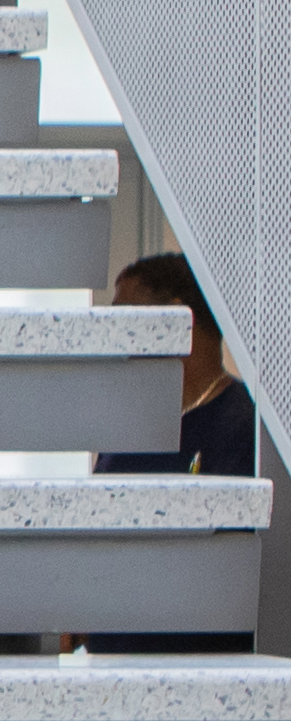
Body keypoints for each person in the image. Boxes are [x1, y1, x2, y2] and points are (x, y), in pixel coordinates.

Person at [87, 250, 257, 654]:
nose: (116, 336)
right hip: (112, 668)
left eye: (127, 317)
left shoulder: (243, 427)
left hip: (197, 674)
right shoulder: (130, 429)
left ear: (180, 319)